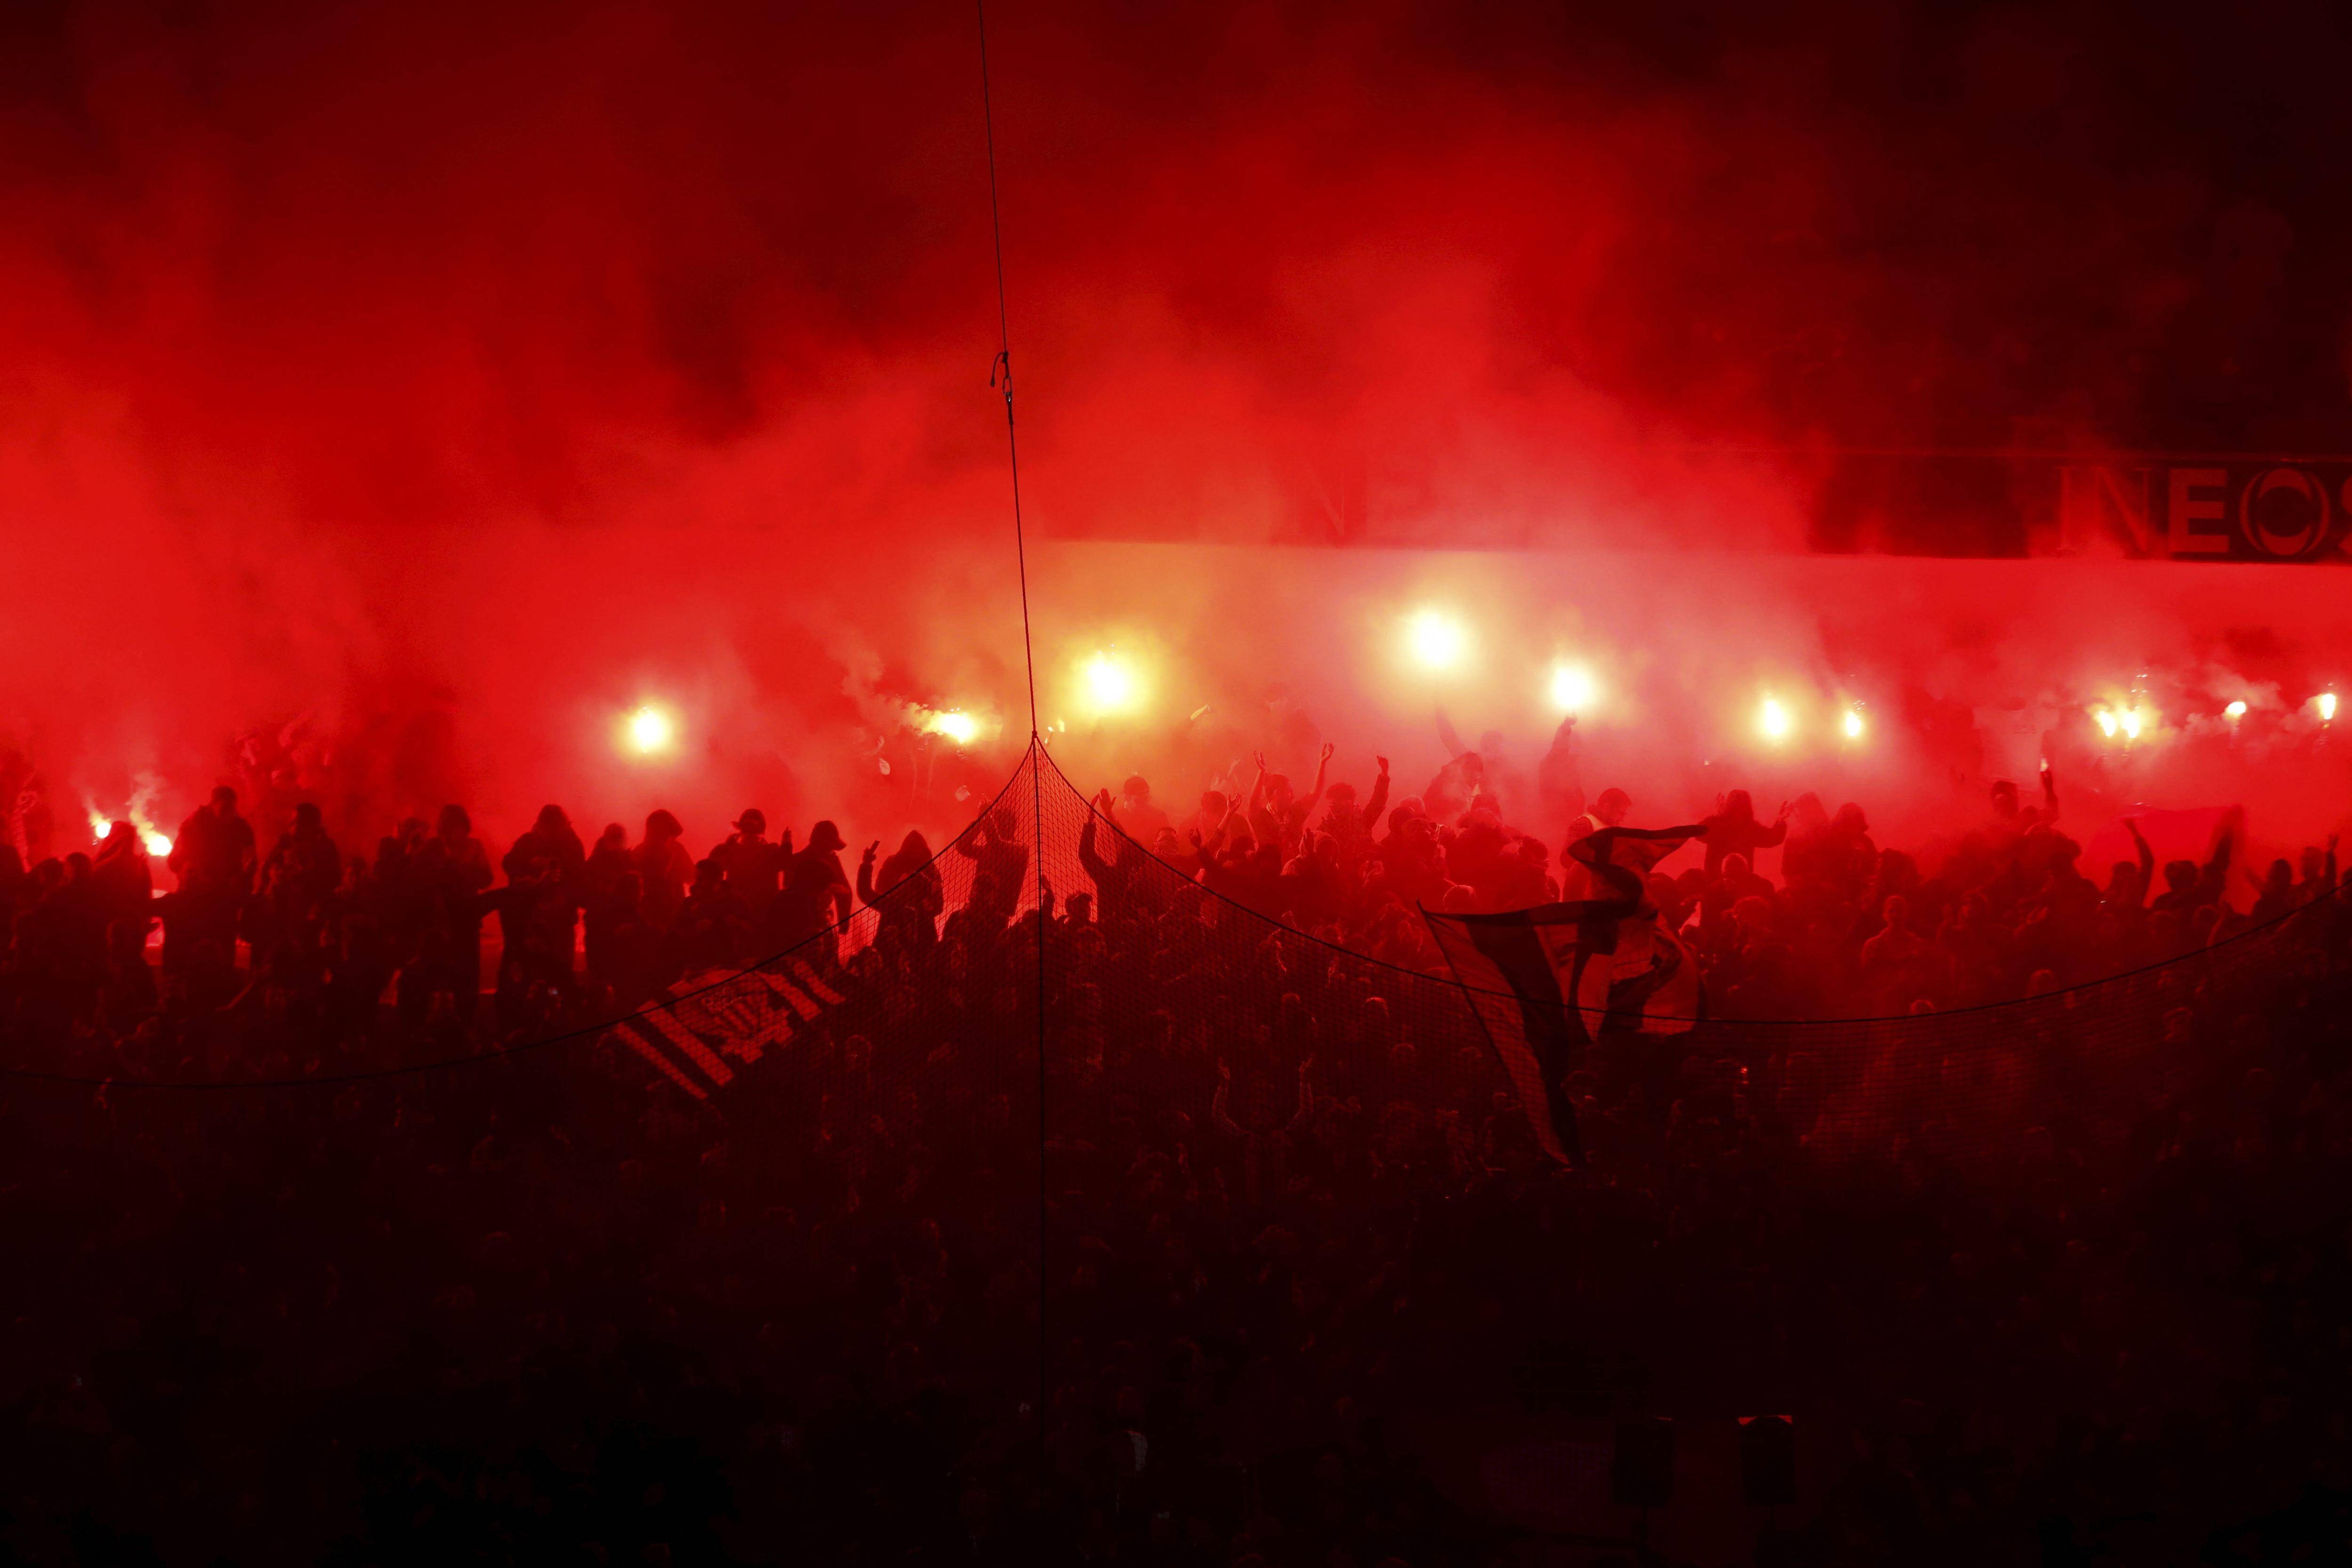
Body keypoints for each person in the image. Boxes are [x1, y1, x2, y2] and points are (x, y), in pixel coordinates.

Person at [166, 786, 255, 970]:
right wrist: (190, 873)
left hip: (224, 900)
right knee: (192, 950)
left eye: (231, 807)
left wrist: (241, 885)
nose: (228, 812)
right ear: (213, 805)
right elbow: (175, 861)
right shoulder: (193, 826)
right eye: (224, 807)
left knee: (222, 952)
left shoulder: (241, 828)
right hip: (196, 899)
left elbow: (251, 862)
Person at [774, 820, 854, 956]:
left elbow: (845, 892)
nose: (832, 850)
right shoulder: (799, 861)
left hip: (820, 921)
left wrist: (843, 922)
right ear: (823, 843)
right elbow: (788, 891)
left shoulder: (829, 860)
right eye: (831, 846)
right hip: (800, 924)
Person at [860, 830, 944, 955]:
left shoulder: (931, 870)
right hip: (893, 946)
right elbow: (870, 892)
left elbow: (939, 905)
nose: (915, 853)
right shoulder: (892, 904)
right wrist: (866, 865)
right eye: (912, 849)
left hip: (923, 945)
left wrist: (931, 905)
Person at [713, 809, 787, 929]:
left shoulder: (770, 850)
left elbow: (783, 864)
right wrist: (725, 847)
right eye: (747, 826)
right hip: (736, 912)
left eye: (752, 826)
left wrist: (786, 846)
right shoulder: (734, 850)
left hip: (762, 910)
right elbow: (713, 868)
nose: (750, 832)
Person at [632, 809, 694, 931]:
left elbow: (691, 877)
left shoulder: (638, 853)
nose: (673, 840)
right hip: (667, 914)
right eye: (671, 836)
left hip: (649, 916)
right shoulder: (676, 850)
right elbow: (692, 878)